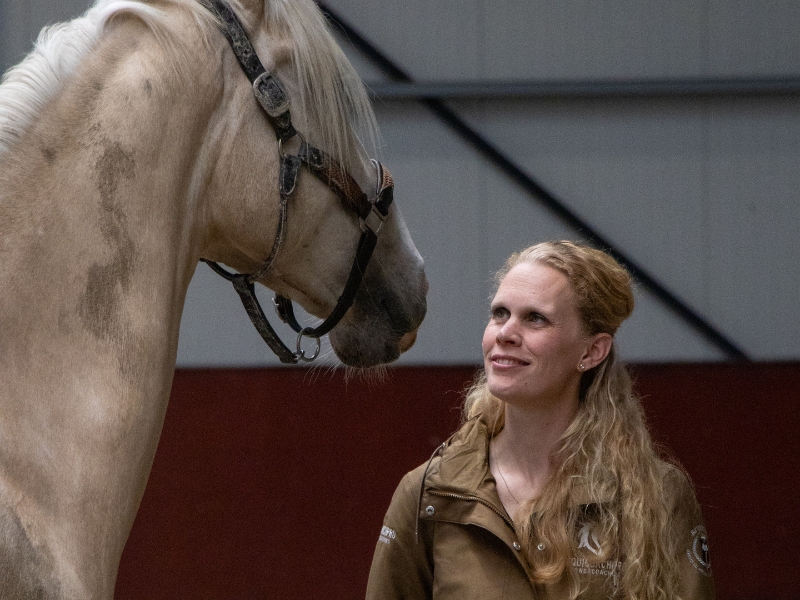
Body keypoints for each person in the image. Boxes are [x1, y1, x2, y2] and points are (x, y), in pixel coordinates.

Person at [366, 241, 715, 600]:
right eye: (500, 313)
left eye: (535, 318)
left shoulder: (656, 495)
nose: (505, 333)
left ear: (592, 351)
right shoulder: (432, 493)